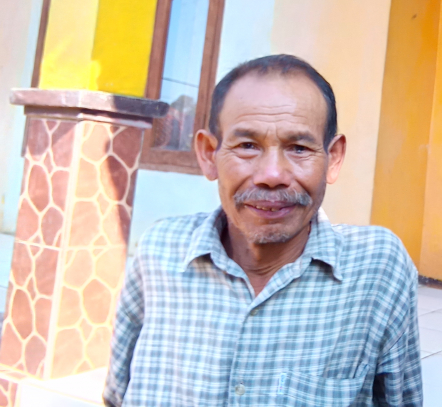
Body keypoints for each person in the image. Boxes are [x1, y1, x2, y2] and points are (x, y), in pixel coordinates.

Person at [103, 55, 422, 407]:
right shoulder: (159, 251)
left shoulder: (378, 270)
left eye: (299, 148)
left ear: (332, 159)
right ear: (209, 154)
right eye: (247, 146)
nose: (272, 175)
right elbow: (117, 394)